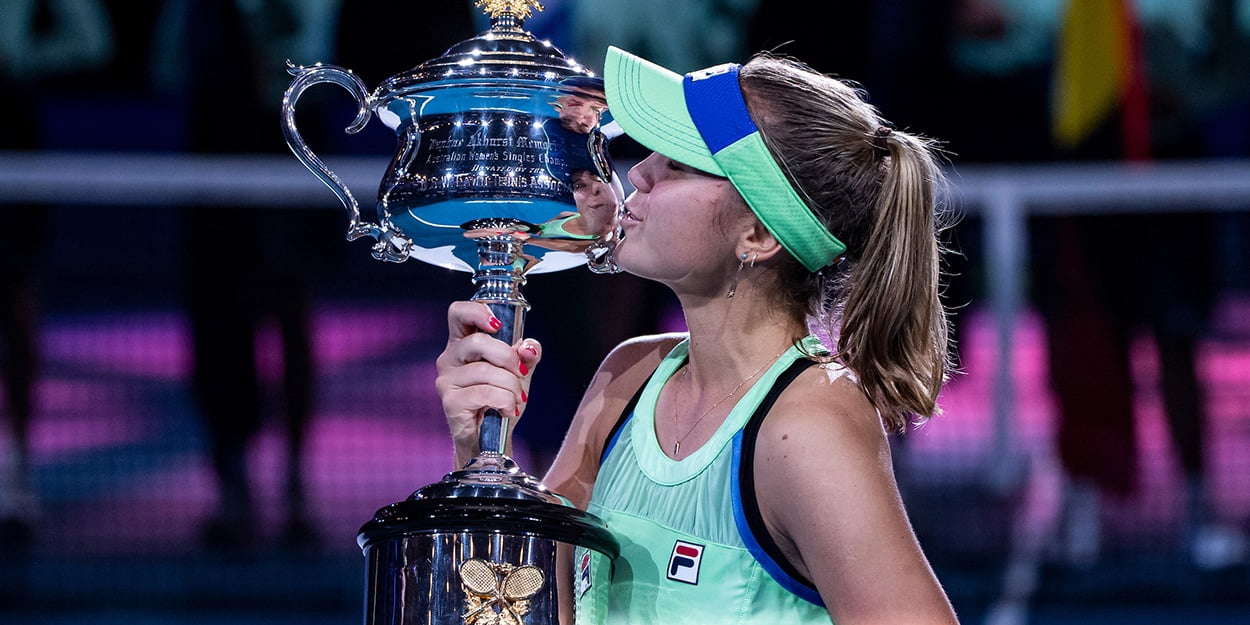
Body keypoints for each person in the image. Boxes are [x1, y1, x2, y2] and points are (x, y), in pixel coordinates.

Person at [435, 46, 959, 624]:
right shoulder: (627, 374)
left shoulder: (807, 428)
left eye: (679, 163)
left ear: (758, 234)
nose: (638, 173)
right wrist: (480, 450)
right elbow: (519, 605)